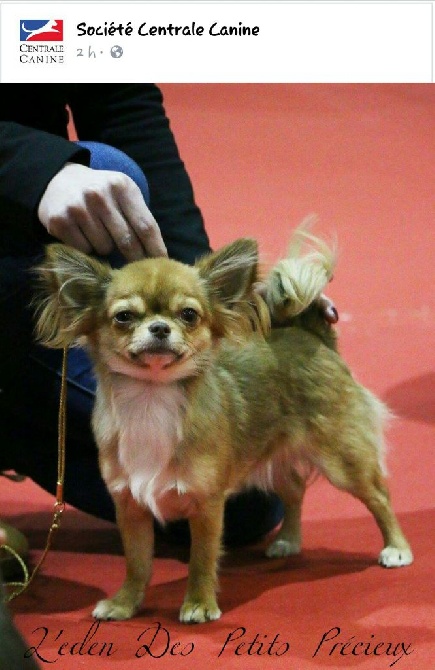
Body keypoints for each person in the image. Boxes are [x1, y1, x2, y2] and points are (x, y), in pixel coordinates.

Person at [0, 84, 290, 558]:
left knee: (244, 500)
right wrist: (31, 168)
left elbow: (123, 104)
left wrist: (203, 292)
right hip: (27, 202)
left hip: (23, 270)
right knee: (111, 167)